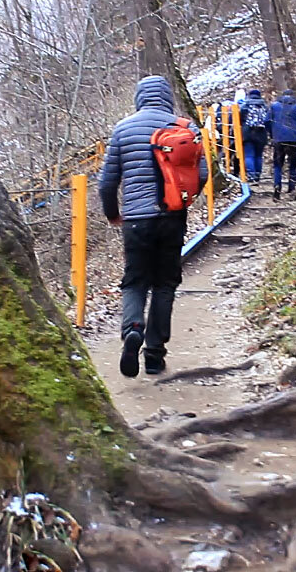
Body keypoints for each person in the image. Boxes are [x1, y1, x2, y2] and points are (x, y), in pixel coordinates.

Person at [98, 75, 208, 378]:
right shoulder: (186, 128)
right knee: (164, 284)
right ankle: (155, 355)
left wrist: (112, 214)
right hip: (172, 218)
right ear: (167, 97)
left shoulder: (123, 129)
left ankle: (133, 328)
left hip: (135, 220)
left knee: (134, 281)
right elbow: (203, 175)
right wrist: (182, 201)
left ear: (139, 98)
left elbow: (107, 183)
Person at [267, 88, 296, 201]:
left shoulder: (274, 106)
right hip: (293, 139)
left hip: (278, 139)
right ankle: (292, 190)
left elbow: (267, 121)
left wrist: (272, 134)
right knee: (292, 165)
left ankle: (277, 191)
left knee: (278, 165)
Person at [240, 89, 269, 182]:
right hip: (261, 133)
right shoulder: (264, 106)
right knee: (259, 155)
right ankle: (257, 174)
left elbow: (239, 119)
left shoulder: (245, 106)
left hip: (248, 133)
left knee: (249, 155)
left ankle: (251, 175)